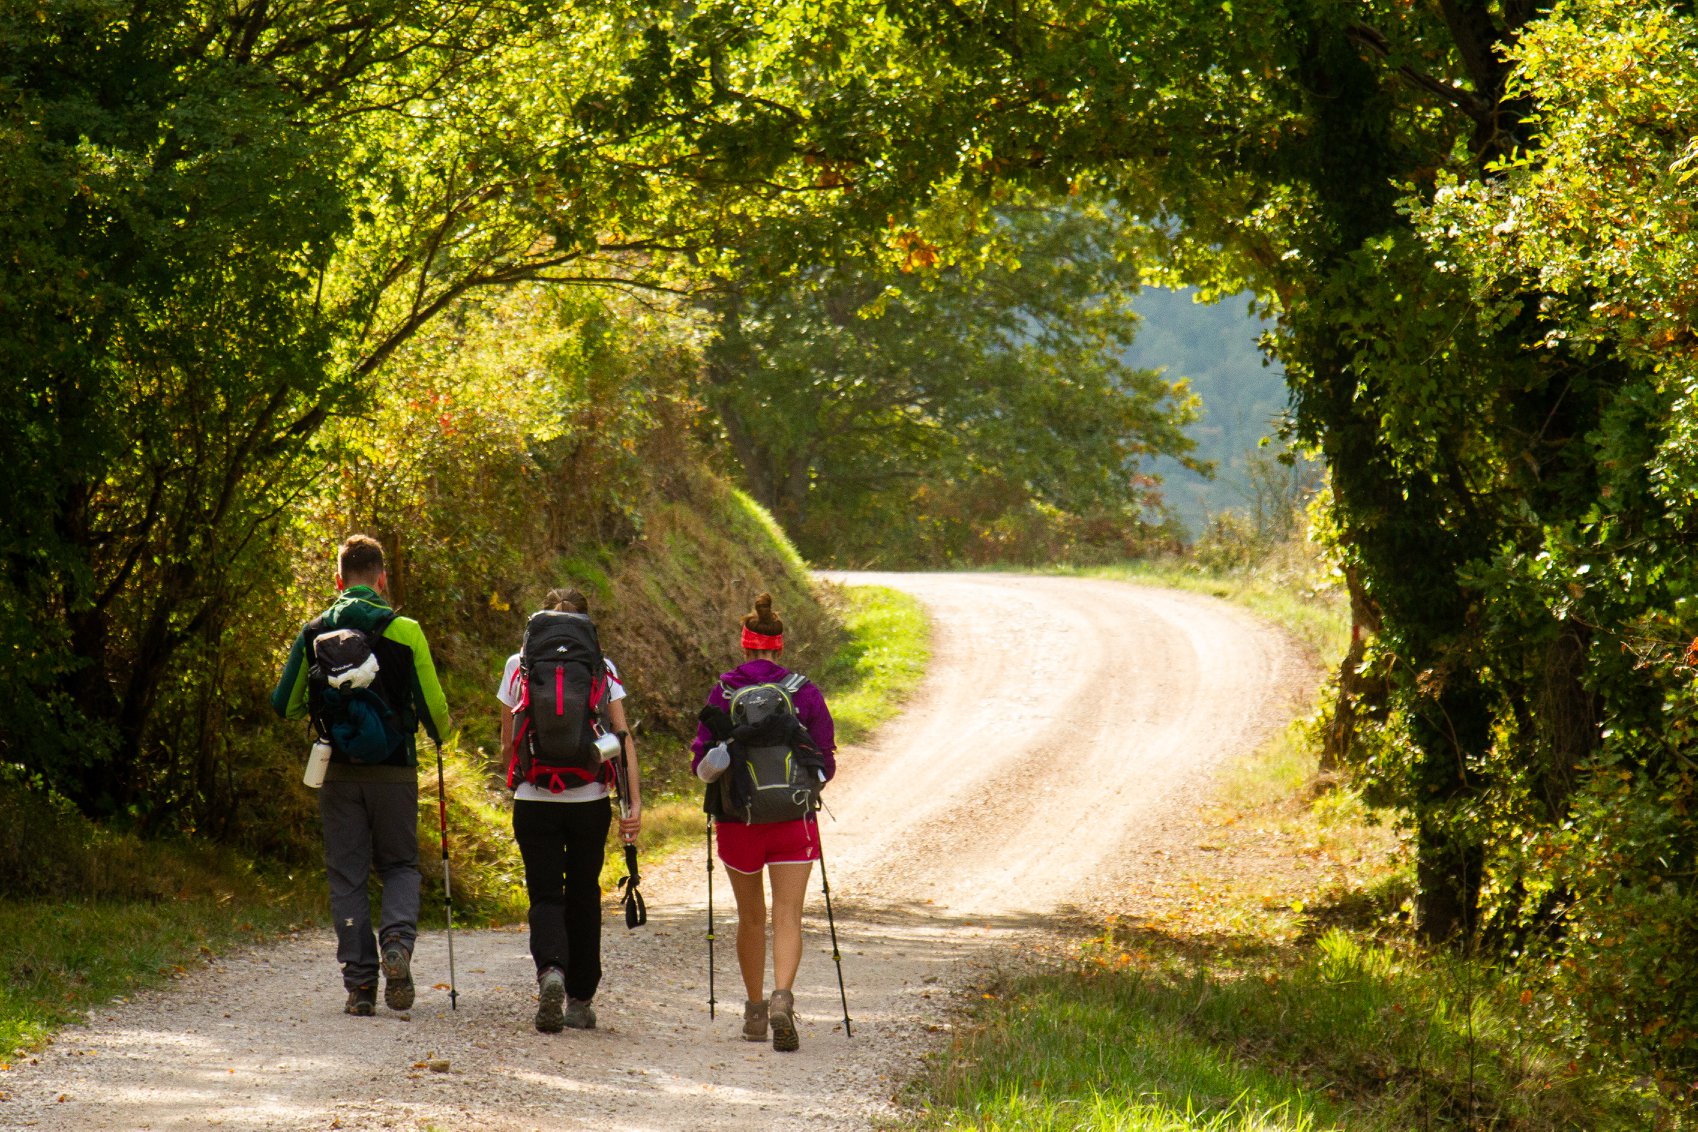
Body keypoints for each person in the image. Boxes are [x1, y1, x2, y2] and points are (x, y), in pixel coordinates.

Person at [271, 534, 451, 1016]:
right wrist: (441, 734)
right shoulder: (406, 630)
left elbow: (283, 704)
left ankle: (360, 987)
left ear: (338, 580)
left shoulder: (312, 632)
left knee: (347, 874)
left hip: (340, 773)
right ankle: (396, 942)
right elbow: (435, 711)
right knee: (400, 865)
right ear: (382, 578)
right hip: (395, 769)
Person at [691, 592, 836, 1052]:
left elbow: (702, 763)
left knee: (751, 917)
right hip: (794, 820)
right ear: (780, 645)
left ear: (744, 644)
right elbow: (825, 762)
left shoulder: (725, 691)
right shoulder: (803, 690)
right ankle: (782, 1000)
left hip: (738, 823)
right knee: (788, 915)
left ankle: (754, 1013)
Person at [498, 587, 642, 1034]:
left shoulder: (518, 664)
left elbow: (508, 742)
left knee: (544, 894)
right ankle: (580, 999)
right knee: (582, 894)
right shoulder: (602, 666)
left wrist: (519, 778)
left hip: (533, 798)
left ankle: (551, 973)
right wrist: (632, 804)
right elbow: (621, 739)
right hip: (589, 799)